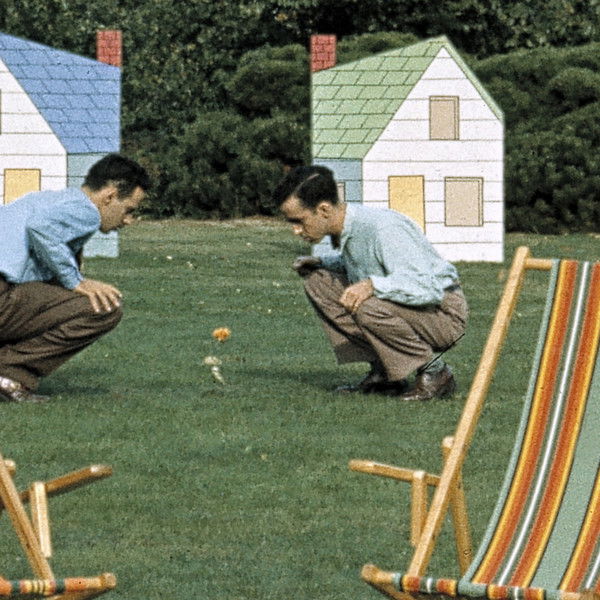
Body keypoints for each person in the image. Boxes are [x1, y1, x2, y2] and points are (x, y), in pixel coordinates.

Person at [273, 165, 468, 400]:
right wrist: (321, 262)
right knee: (319, 282)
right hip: (415, 308)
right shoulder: (349, 227)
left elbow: (428, 289)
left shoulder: (384, 228)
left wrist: (371, 286)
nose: (296, 230)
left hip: (443, 314)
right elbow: (367, 264)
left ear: (323, 209)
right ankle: (385, 373)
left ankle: (436, 373)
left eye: (299, 221)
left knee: (365, 304)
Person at [0, 153, 151, 403]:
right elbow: (40, 227)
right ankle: (8, 373)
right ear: (110, 196)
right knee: (104, 308)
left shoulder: (51, 199)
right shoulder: (87, 211)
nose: (128, 220)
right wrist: (76, 281)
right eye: (128, 210)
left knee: (56, 291)